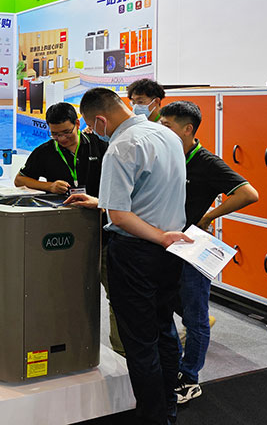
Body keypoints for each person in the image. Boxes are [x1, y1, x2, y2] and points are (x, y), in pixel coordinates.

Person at [65, 87, 191, 425]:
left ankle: (152, 417)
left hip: (138, 253)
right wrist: (101, 201)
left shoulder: (121, 146)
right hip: (171, 251)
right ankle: (168, 407)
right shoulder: (166, 135)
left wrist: (157, 235)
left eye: (91, 126)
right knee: (164, 330)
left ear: (101, 120)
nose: (93, 132)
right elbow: (148, 193)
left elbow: (120, 217)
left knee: (140, 343)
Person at [159, 101, 259, 405]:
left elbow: (249, 193)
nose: (161, 131)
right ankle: (173, 367)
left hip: (193, 249)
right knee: (163, 308)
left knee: (196, 317)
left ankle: (189, 377)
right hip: (165, 245)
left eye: (167, 126)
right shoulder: (165, 155)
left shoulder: (207, 162)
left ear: (187, 129)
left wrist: (208, 216)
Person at [13, 101, 122, 354]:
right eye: (55, 134)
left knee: (117, 296)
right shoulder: (44, 151)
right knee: (65, 293)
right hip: (65, 237)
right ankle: (71, 349)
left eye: (66, 132)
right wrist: (48, 186)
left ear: (77, 124)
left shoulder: (100, 146)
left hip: (105, 233)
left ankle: (120, 351)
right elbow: (20, 180)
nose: (61, 139)